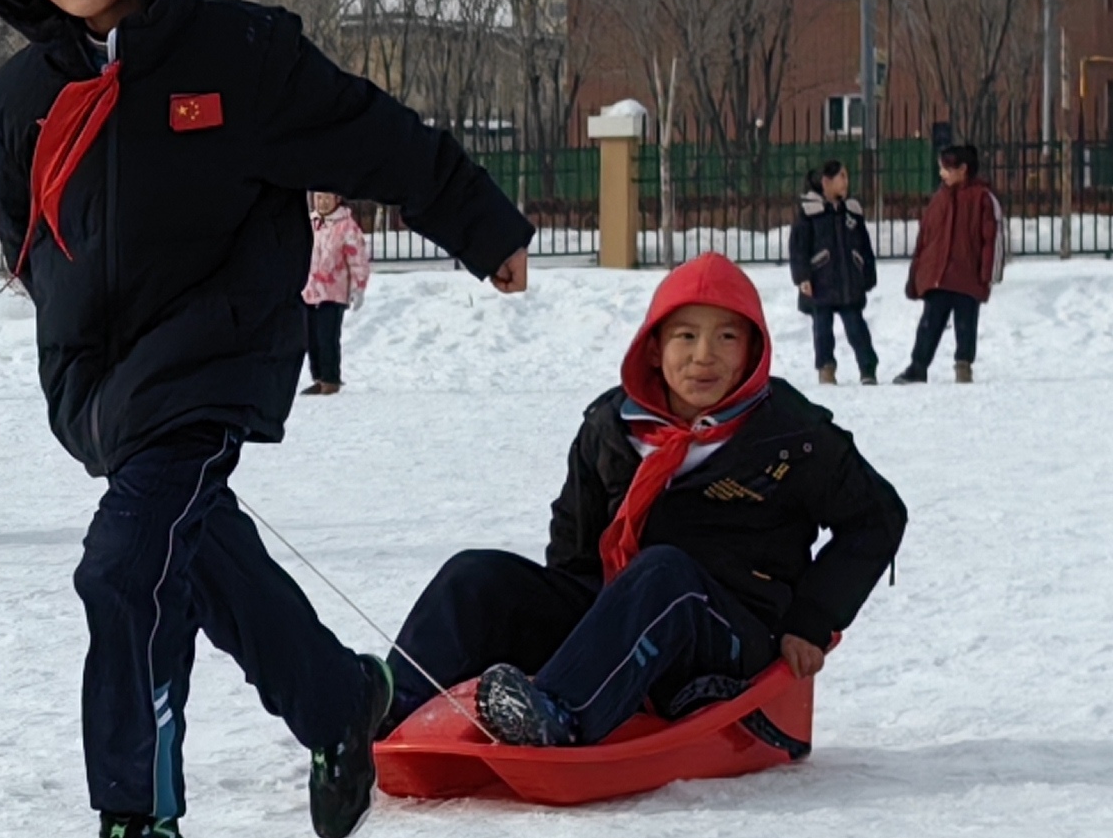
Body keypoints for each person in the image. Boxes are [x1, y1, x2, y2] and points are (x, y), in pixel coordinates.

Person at [0, 0, 535, 838]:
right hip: (96, 386)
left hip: (210, 359)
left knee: (124, 567)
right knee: (195, 548)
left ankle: (136, 818)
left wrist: (480, 224)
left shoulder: (239, 56)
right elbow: (25, 238)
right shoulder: (12, 103)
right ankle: (338, 701)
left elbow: (374, 134)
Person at [385, 254, 907, 750]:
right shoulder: (614, 427)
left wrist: (811, 618)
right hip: (623, 617)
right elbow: (574, 549)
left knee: (663, 573)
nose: (704, 355)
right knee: (475, 577)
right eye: (686, 336)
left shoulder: (791, 435)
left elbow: (877, 518)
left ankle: (560, 713)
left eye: (727, 337)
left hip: (731, 633)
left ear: (753, 350)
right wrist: (562, 629)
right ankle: (387, 710)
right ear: (654, 348)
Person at [899, 143, 1003, 384]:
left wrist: (988, 273)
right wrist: (917, 274)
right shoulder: (939, 199)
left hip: (968, 275)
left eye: (946, 169)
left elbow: (991, 238)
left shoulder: (982, 198)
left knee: (966, 324)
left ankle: (963, 365)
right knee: (929, 324)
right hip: (939, 277)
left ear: (963, 169)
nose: (941, 174)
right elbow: (925, 238)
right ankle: (918, 366)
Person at [786, 160, 880, 386]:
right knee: (822, 330)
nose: (846, 182)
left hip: (849, 283)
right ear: (826, 182)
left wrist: (867, 273)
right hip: (821, 282)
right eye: (842, 177)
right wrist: (802, 278)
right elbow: (798, 249)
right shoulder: (809, 213)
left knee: (857, 328)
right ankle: (826, 367)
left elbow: (864, 245)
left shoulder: (852, 211)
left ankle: (867, 368)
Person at [301, 190, 372, 395]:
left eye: (327, 198)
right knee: (311, 338)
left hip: (333, 293)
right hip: (309, 291)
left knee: (327, 337)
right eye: (319, 198)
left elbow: (357, 260)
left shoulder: (346, 226)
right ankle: (318, 377)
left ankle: (330, 379)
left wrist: (358, 287)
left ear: (337, 199)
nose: (322, 202)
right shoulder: (310, 223)